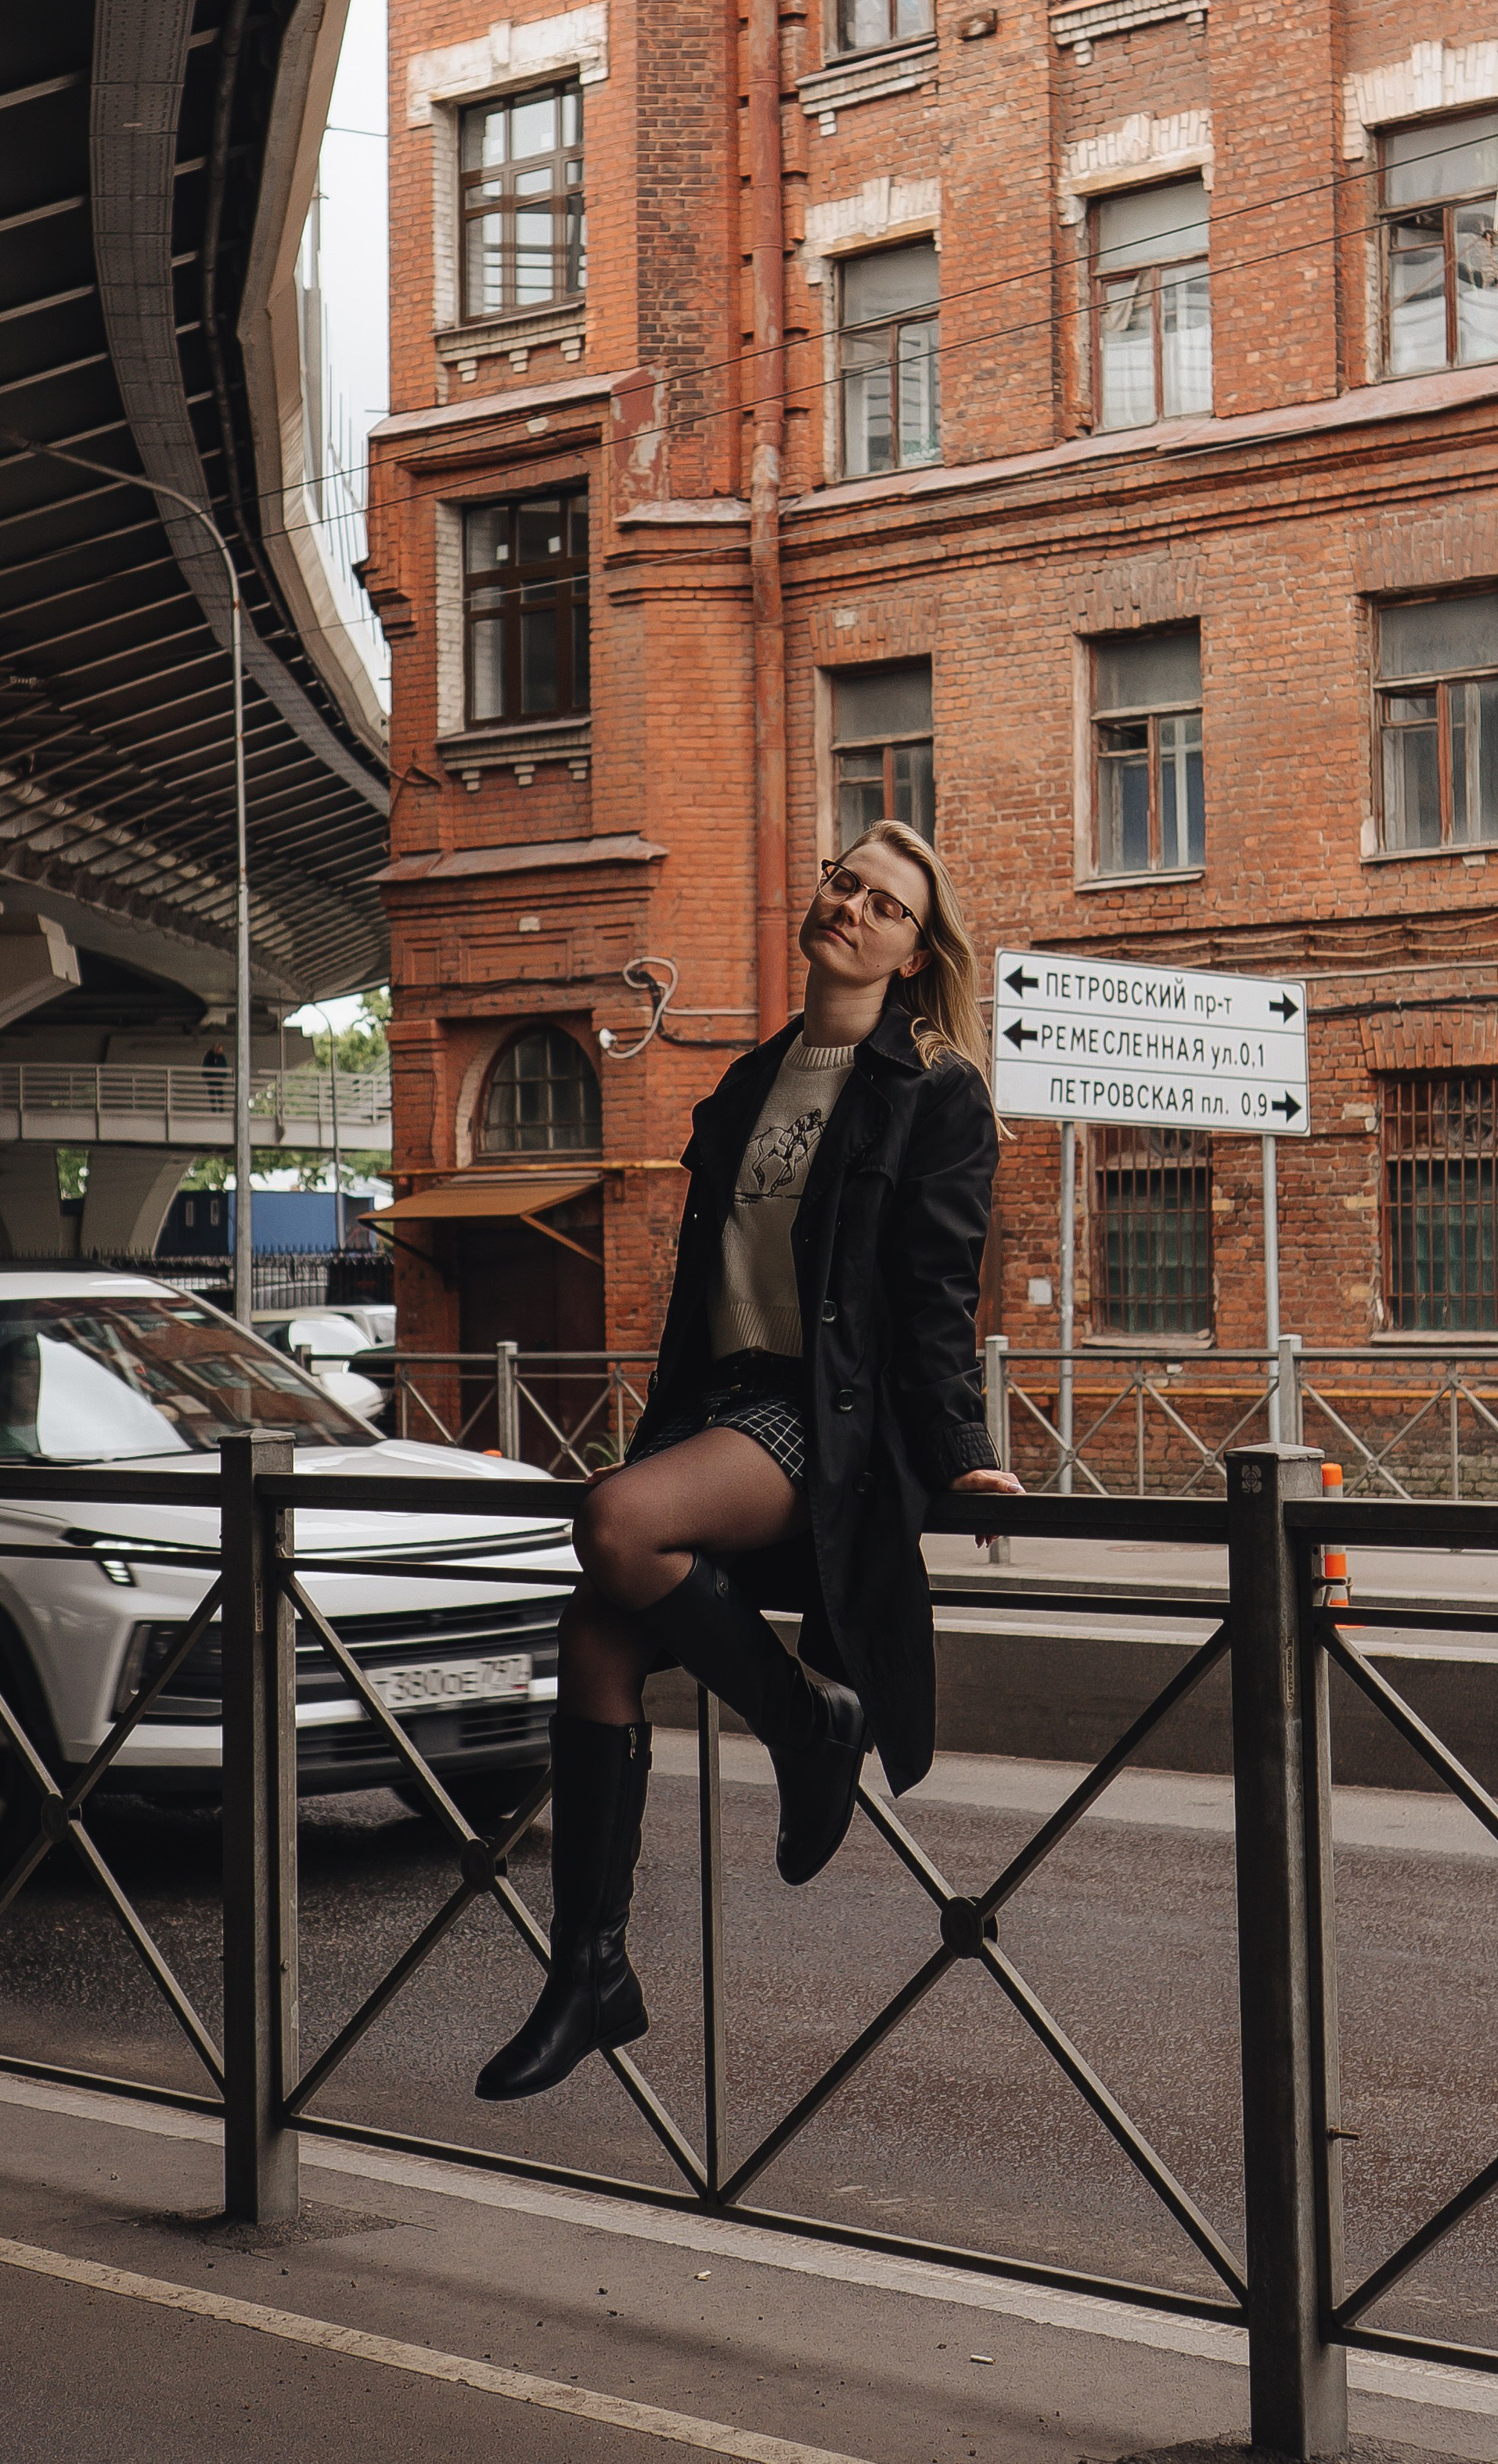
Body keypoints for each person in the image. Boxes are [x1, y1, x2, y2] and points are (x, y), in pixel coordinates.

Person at [475, 820, 1021, 2100]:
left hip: (825, 1416)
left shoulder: (934, 1092)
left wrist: (961, 1448)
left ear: (914, 954)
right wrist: (671, 1430)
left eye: (886, 906)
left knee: (617, 1525)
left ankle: (806, 1721)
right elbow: (704, 1284)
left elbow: (939, 1291)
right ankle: (589, 1973)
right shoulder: (749, 1082)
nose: (852, 907)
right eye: (845, 882)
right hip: (720, 1406)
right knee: (595, 1636)